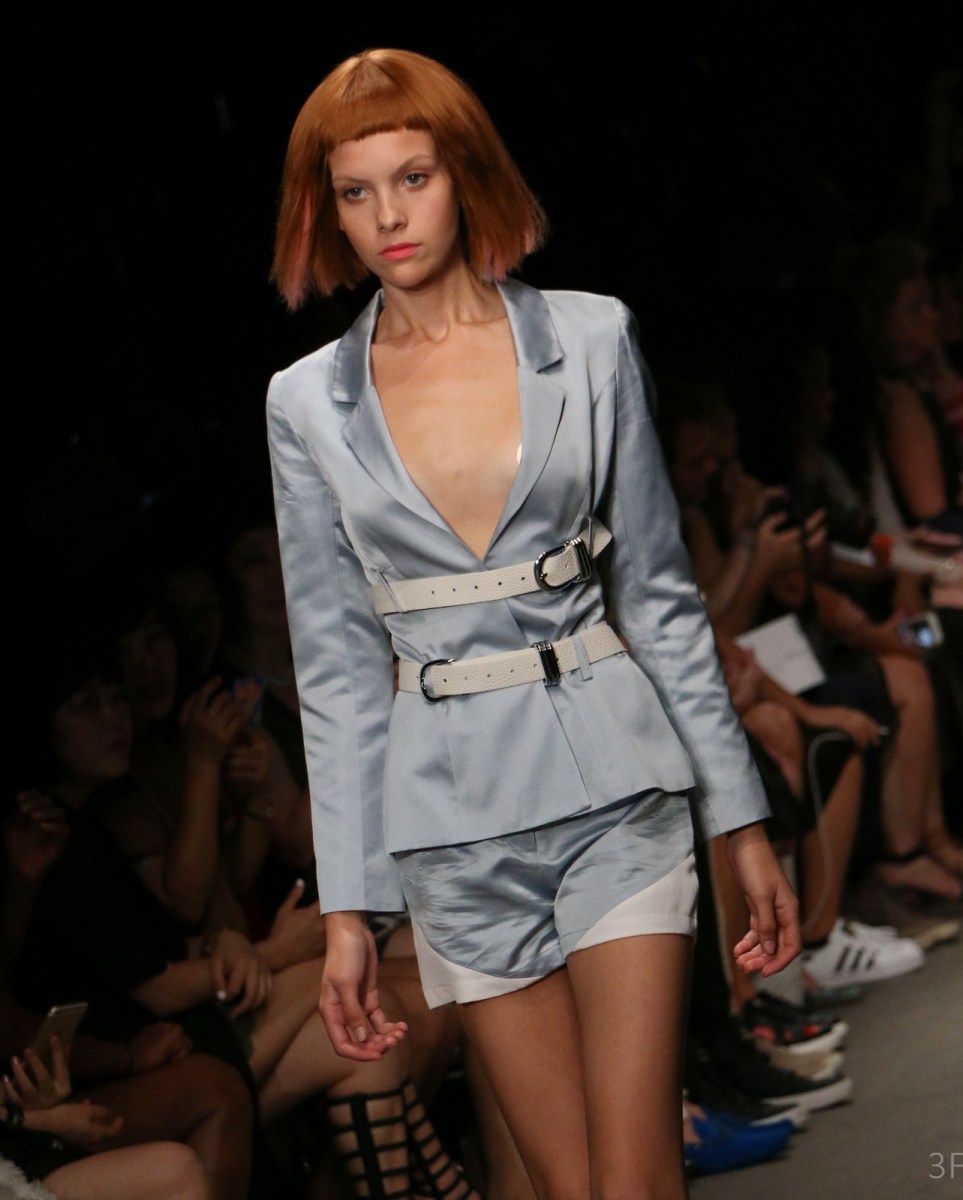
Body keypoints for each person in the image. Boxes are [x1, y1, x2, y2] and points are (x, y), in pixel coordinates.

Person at [268, 49, 799, 1198]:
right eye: (355, 192)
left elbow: (657, 596)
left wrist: (739, 818)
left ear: (463, 174)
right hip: (451, 832)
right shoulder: (306, 403)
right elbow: (337, 671)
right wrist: (349, 910)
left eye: (411, 177)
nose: (387, 216)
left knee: (634, 1180)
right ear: (328, 212)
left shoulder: (590, 338)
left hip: (613, 791)